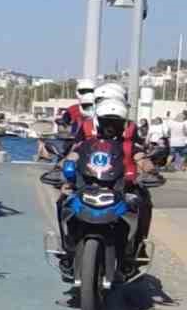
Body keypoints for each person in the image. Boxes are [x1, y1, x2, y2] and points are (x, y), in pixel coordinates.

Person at [59, 97, 152, 277]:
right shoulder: (86, 144)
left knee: (140, 204)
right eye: (107, 122)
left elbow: (142, 158)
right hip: (86, 188)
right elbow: (72, 156)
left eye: (115, 123)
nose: (110, 126)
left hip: (120, 190)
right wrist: (59, 169)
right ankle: (67, 250)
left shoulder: (128, 145)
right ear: (99, 122)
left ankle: (133, 251)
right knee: (63, 200)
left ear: (123, 125)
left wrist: (151, 170)